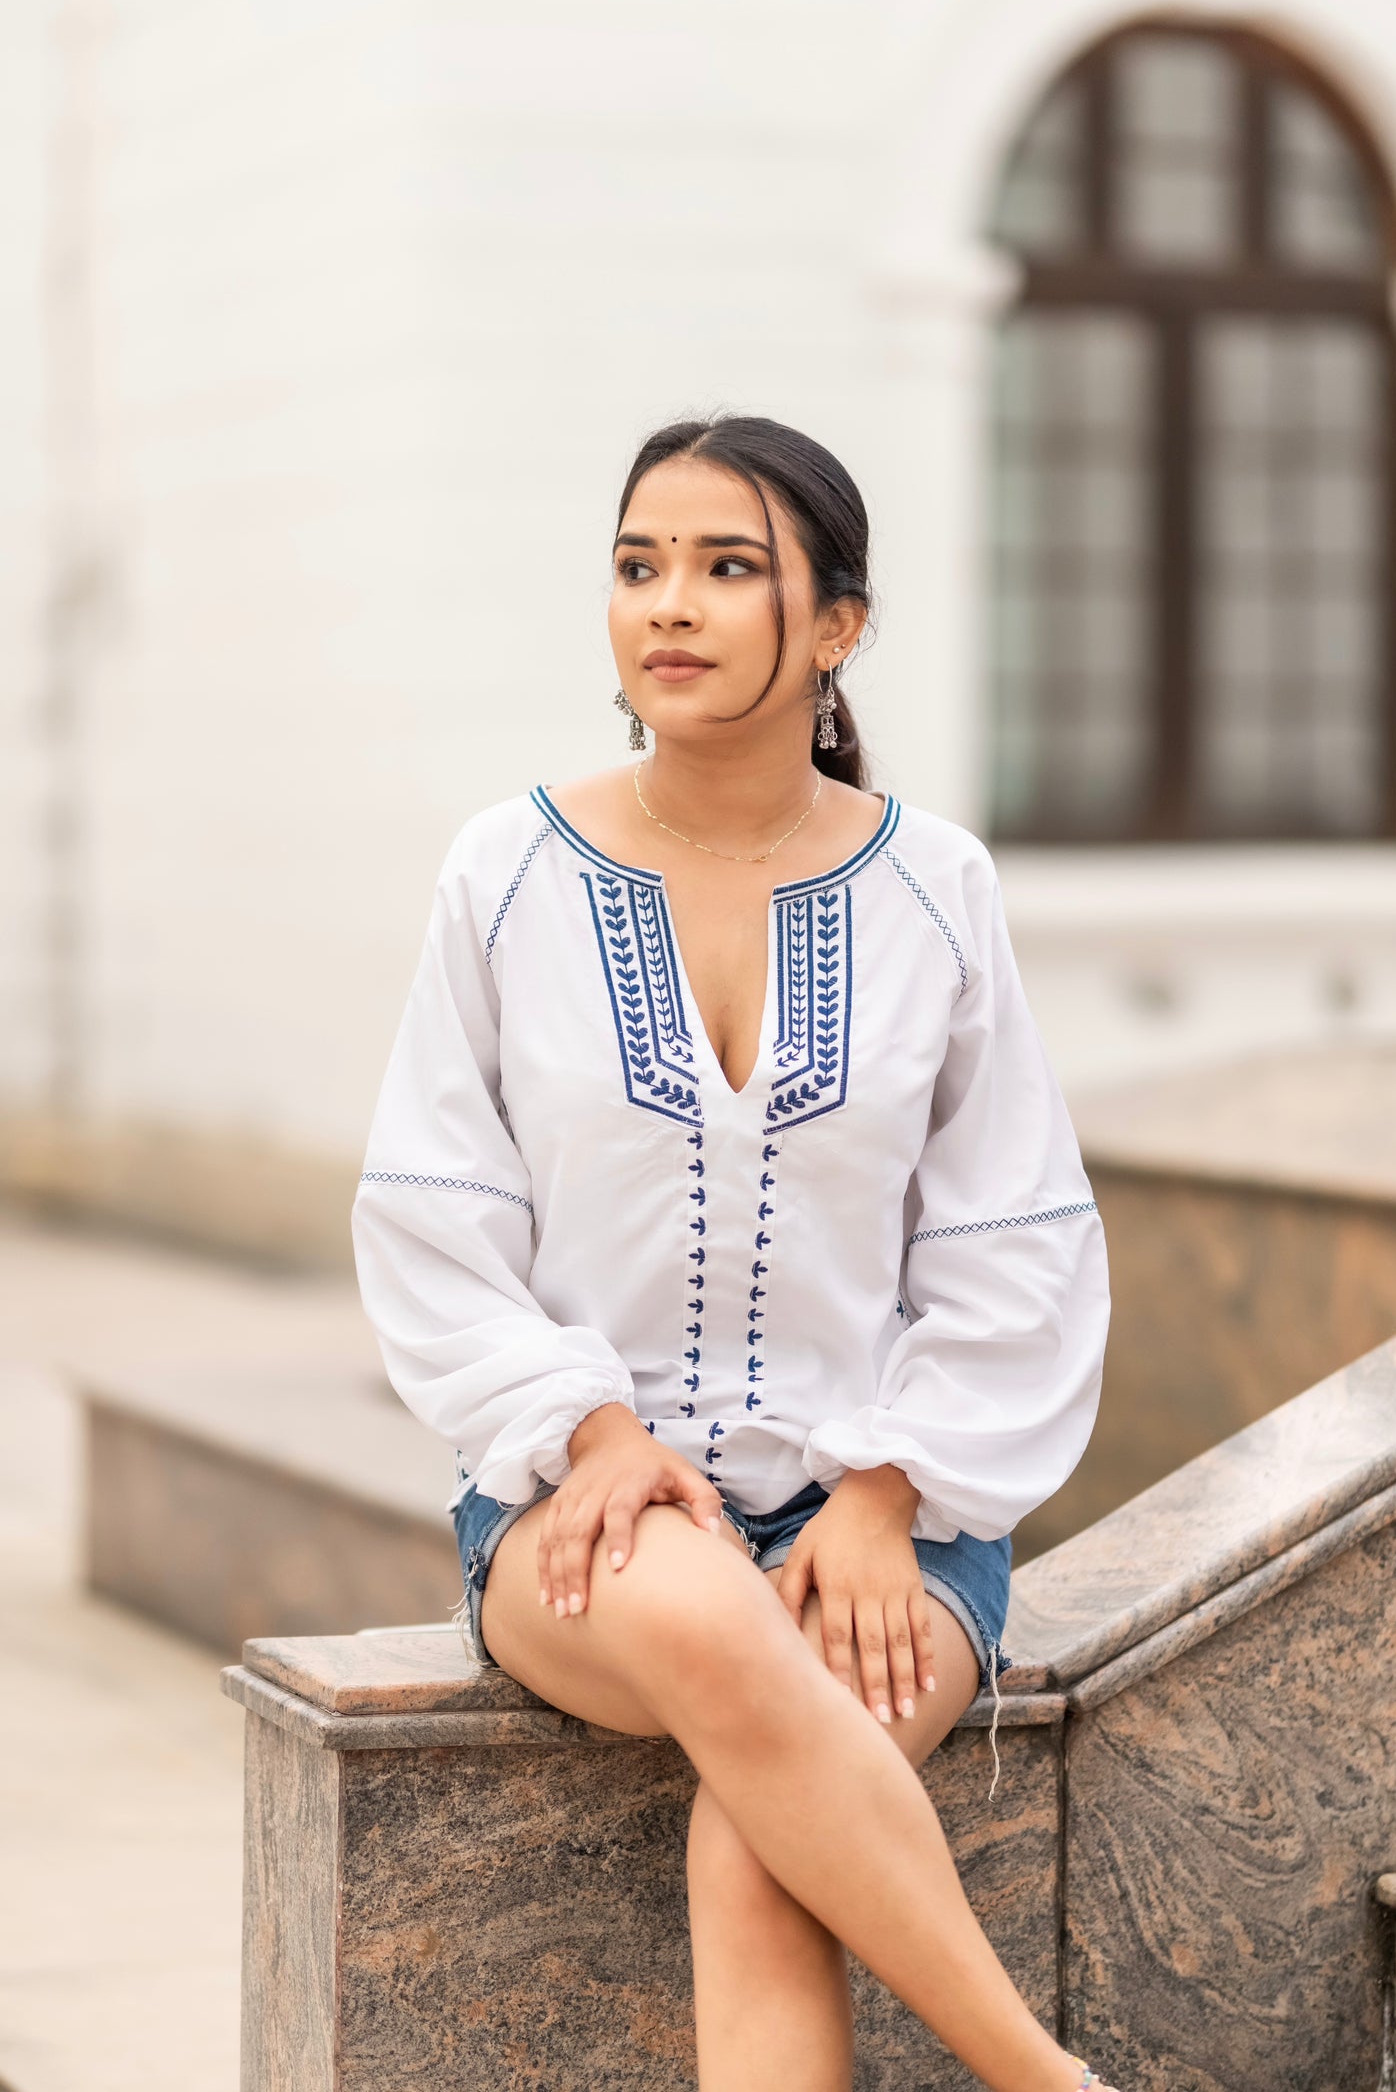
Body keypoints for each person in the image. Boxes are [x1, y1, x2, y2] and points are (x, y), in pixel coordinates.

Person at [352, 414, 1117, 2091]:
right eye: (637, 567)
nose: (667, 608)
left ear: (836, 625)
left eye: (724, 567)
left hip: (893, 1521)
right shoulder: (506, 873)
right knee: (707, 1630)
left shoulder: (935, 887)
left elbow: (1016, 1238)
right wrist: (592, 1433)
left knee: (753, 1843)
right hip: (583, 1507)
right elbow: (432, 1216)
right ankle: (1046, 2077)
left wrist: (886, 1491)